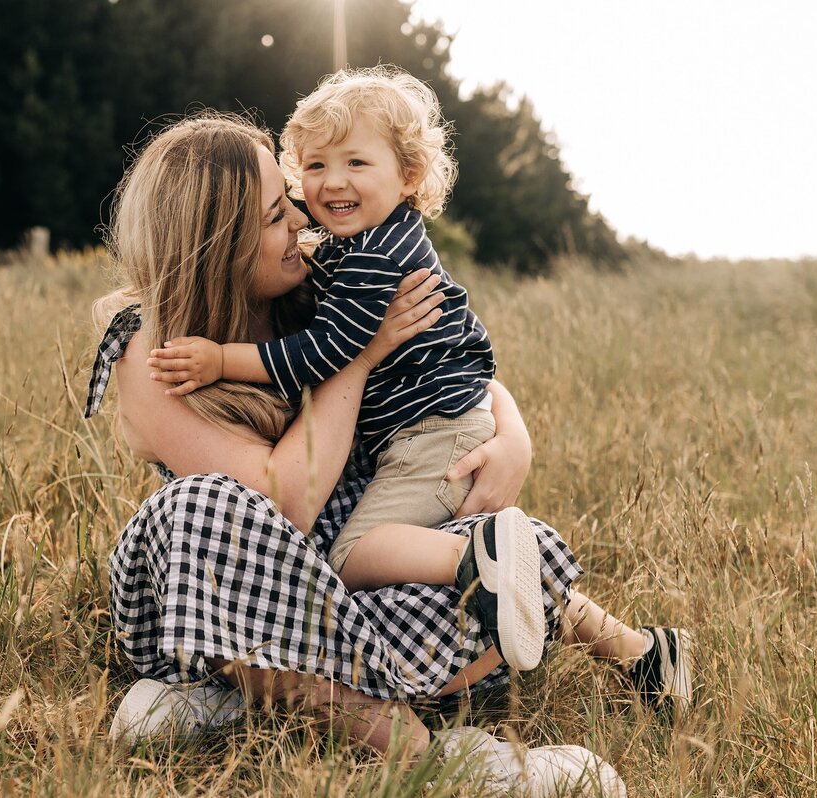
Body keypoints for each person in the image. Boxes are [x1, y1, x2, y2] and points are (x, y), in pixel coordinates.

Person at [86, 112, 689, 796]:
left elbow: (447, 366)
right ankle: (437, 759)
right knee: (204, 506)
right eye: (274, 215)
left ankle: (238, 702)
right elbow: (283, 502)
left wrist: (510, 431)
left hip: (347, 586)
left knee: (526, 556)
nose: (300, 221)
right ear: (214, 245)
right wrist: (358, 357)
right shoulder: (149, 349)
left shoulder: (311, 283)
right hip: (225, 586)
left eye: (290, 200)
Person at [146, 67, 541, 671]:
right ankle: (598, 630)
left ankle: (475, 560)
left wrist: (222, 359)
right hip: (427, 433)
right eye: (315, 167)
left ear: (408, 176)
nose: (330, 187)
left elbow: (326, 353)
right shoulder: (361, 245)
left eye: (356, 164)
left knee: (353, 556)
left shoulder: (375, 260)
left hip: (428, 440)